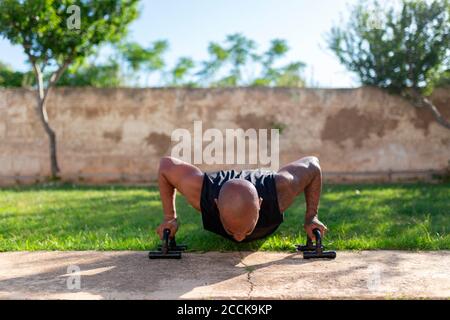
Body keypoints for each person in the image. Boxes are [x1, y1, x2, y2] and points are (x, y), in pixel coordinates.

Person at [156, 156, 328, 243]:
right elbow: (165, 165)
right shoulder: (202, 193)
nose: (239, 239)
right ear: (216, 205)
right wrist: (169, 218)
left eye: (247, 230)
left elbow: (313, 164)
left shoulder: (280, 191)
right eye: (230, 230)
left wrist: (311, 217)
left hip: (268, 188)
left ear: (260, 204)